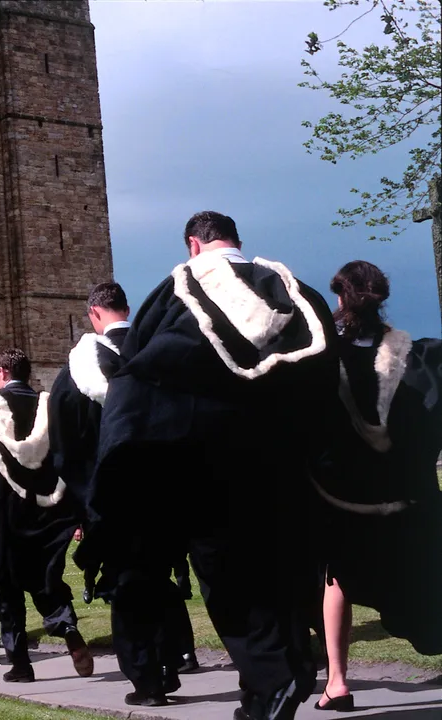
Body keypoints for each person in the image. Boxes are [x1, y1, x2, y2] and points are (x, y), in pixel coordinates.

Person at [93, 211, 338, 719]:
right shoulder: (298, 294)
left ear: (193, 245)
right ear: (237, 240)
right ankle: (284, 674)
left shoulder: (177, 293)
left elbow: (146, 377)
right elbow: (325, 383)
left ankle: (270, 681)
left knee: (227, 580)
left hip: (212, 467)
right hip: (286, 468)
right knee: (286, 570)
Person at [51, 281, 198, 705]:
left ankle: (148, 680)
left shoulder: (74, 377)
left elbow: (65, 450)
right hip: (165, 494)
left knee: (128, 587)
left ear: (93, 315)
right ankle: (173, 662)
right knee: (158, 578)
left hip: (111, 498)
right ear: (126, 309)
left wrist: (85, 503)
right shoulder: (158, 356)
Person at [312, 261, 442, 711]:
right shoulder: (418, 357)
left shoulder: (323, 359)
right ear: (380, 296)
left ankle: (338, 682)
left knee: (337, 580)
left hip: (346, 497)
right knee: (424, 569)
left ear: (340, 297)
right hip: (405, 493)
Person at [0, 348, 94, 684]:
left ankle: (21, 664)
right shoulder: (47, 405)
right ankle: (66, 625)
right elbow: (64, 453)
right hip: (43, 507)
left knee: (7, 587)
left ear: (2, 372)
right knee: (43, 575)